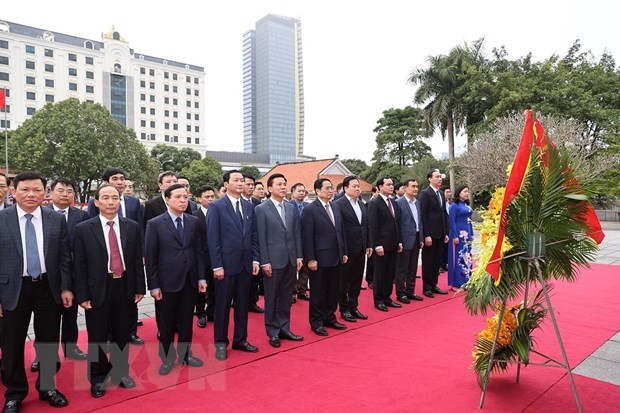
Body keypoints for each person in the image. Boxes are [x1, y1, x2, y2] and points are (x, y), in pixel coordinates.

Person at [0, 172, 73, 412]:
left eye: (37, 190)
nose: (31, 194)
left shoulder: (55, 219)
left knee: (48, 342)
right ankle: (14, 393)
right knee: (11, 344)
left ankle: (47, 387)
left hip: (47, 287)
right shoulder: (2, 219)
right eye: (25, 189)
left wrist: (65, 287)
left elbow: (64, 257)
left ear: (46, 193)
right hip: (12, 289)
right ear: (13, 191)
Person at [73, 184, 146, 398]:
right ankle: (97, 378)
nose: (111, 201)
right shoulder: (84, 229)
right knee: (96, 335)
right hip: (98, 287)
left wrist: (139, 287)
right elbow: (80, 264)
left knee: (122, 333)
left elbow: (135, 260)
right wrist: (83, 294)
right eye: (105, 197)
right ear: (96, 202)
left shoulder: (131, 226)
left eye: (115, 197)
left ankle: (120, 371)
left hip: (124, 285)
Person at [145, 184, 206, 376]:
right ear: (167, 199)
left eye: (185, 197)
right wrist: (153, 285)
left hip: (190, 279)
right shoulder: (155, 223)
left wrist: (202, 277)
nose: (182, 200)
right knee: (167, 323)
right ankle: (167, 358)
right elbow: (151, 256)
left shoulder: (193, 221)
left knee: (187, 320)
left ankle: (186, 354)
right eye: (178, 197)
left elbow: (199, 251)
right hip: (166, 281)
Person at [87, 168, 145, 345]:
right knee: (101, 316)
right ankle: (107, 338)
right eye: (115, 179)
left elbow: (141, 229)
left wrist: (142, 254)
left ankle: (131, 333)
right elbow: (91, 233)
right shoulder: (92, 208)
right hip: (103, 266)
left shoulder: (134, 203)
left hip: (127, 260)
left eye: (122, 179)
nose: (120, 182)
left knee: (128, 305)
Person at [207, 170, 260, 361]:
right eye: (236, 180)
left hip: (245, 264)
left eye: (242, 180)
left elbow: (253, 235)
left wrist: (255, 259)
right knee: (222, 307)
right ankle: (221, 343)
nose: (240, 183)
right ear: (226, 184)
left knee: (242, 305)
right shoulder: (217, 206)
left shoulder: (248, 206)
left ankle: (241, 339)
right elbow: (213, 239)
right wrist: (217, 266)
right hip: (226, 266)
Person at [255, 173, 304, 348]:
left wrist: (299, 255)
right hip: (272, 261)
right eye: (279, 184)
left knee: (285, 297)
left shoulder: (291, 207)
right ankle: (273, 332)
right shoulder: (261, 209)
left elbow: (296, 234)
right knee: (271, 298)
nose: (283, 187)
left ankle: (285, 328)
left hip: (290, 258)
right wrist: (264, 261)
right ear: (269, 188)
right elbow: (261, 237)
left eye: (285, 184)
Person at [48, 179, 90, 361]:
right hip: (47, 274)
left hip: (73, 273)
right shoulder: (42, 213)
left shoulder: (81, 216)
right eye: (60, 190)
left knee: (70, 314)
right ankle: (44, 354)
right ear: (50, 193)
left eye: (69, 191)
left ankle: (70, 347)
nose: (65, 194)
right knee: (46, 318)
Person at [302, 178, 348, 336]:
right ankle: (317, 321)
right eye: (327, 188)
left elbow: (340, 232)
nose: (331, 190)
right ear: (317, 191)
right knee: (318, 292)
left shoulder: (335, 207)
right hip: (319, 258)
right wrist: (311, 259)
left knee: (333, 290)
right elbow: (307, 236)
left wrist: (344, 252)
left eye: (332, 188)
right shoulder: (310, 210)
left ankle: (330, 317)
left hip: (336, 256)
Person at [334, 176, 372, 323]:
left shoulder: (362, 204)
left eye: (358, 186)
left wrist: (368, 244)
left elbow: (366, 226)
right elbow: (338, 230)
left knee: (357, 279)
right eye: (354, 186)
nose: (357, 189)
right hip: (347, 249)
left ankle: (354, 306)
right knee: (344, 281)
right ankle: (344, 309)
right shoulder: (338, 204)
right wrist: (342, 250)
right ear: (345, 188)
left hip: (361, 248)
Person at [368, 177, 403, 312]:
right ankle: (379, 299)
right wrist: (377, 244)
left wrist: (399, 241)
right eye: (388, 184)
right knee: (380, 273)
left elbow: (397, 224)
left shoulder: (394, 203)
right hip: (381, 245)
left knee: (390, 273)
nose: (391, 187)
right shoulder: (375, 203)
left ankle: (387, 297)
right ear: (380, 187)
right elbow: (373, 225)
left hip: (393, 243)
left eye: (392, 184)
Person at [419, 169, 449, 298]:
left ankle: (434, 284)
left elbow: (443, 214)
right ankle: (426, 287)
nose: (440, 179)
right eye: (437, 177)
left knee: (437, 261)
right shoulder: (425, 194)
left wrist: (445, 232)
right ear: (430, 179)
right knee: (428, 261)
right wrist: (426, 234)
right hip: (430, 234)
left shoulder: (441, 194)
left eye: (440, 177)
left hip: (440, 233)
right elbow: (423, 215)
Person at [394, 179, 424, 304]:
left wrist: (421, 237)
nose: (416, 189)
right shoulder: (398, 203)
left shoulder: (417, 203)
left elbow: (420, 222)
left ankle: (410, 291)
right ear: (405, 188)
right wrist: (399, 241)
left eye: (417, 186)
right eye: (413, 186)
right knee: (402, 268)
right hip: (404, 239)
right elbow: (397, 224)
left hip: (416, 238)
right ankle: (400, 293)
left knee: (413, 267)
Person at [192, 185, 216, 328]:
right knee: (200, 287)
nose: (210, 199)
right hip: (200, 258)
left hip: (216, 258)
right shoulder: (194, 216)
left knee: (215, 287)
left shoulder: (219, 213)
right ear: (199, 199)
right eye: (207, 197)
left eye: (212, 196)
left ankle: (212, 311)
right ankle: (200, 313)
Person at [448, 185, 474, 290]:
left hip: (467, 234)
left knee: (467, 257)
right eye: (465, 191)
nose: (467, 193)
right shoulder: (454, 206)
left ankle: (467, 280)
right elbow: (452, 222)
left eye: (468, 192)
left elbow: (469, 221)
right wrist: (454, 236)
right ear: (459, 193)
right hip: (458, 235)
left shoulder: (467, 206)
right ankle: (456, 283)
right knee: (458, 258)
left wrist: (471, 233)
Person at [289, 182, 310, 302]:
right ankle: (292, 291)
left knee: (305, 268)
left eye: (303, 191)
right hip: (292, 242)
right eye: (299, 191)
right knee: (292, 269)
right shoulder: (288, 206)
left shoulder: (308, 206)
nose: (302, 193)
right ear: (292, 193)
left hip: (306, 242)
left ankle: (302, 290)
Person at [440, 187, 453, 273]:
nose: (449, 194)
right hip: (442, 228)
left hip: (449, 228)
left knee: (447, 248)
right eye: (447, 192)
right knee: (441, 248)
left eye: (450, 192)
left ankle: (445, 264)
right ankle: (439, 265)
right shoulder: (440, 203)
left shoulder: (449, 203)